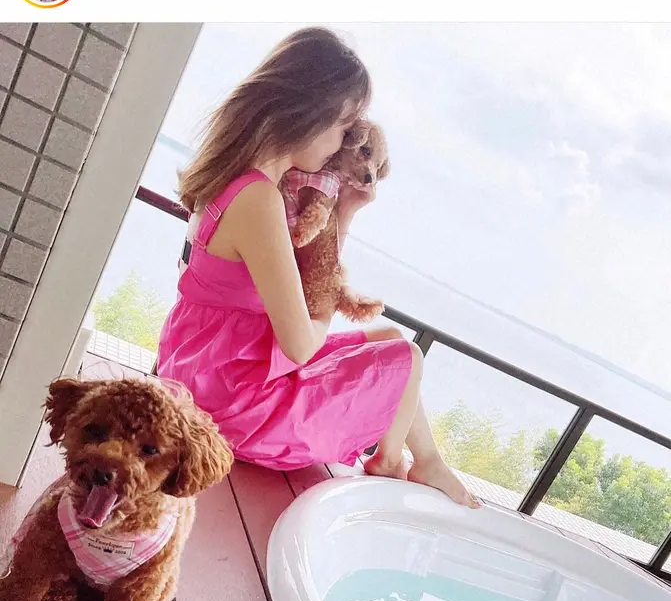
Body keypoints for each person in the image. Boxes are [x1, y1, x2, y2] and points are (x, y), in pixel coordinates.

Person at [157, 27, 480, 507]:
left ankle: (419, 461)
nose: (340, 145)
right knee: (406, 357)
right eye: (343, 128)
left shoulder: (244, 181)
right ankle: (391, 464)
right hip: (235, 408)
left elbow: (304, 280)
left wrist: (343, 214)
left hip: (216, 370)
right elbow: (302, 343)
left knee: (390, 339)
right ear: (308, 114)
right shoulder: (258, 199)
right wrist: (326, 302)